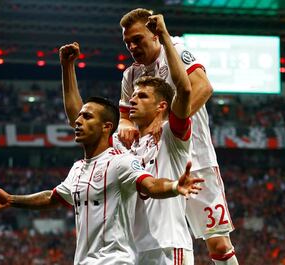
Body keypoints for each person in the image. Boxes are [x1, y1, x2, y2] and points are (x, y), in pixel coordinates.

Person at [0, 96, 204, 265]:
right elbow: (52, 197)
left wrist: (175, 186)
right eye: (78, 117)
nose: (78, 121)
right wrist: (12, 200)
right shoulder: (77, 169)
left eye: (87, 117)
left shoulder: (121, 162)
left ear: (107, 127)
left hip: (115, 260)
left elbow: (150, 184)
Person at [59, 32, 195, 263]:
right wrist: (67, 67)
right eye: (132, 95)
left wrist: (162, 35)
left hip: (168, 247)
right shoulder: (121, 145)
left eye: (142, 96)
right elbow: (78, 118)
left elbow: (184, 90)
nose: (132, 100)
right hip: (132, 251)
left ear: (162, 105)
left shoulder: (173, 135)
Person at [118, 8, 238, 265]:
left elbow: (202, 87)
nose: (132, 46)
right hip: (155, 165)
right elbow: (124, 117)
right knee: (155, 242)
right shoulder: (130, 75)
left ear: (154, 35)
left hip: (195, 157)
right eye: (127, 42)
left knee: (217, 242)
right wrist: (124, 125)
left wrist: (169, 123)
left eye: (137, 39)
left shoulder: (175, 49)